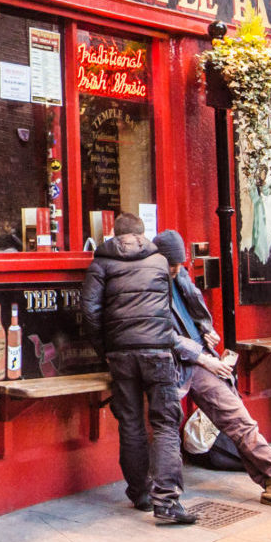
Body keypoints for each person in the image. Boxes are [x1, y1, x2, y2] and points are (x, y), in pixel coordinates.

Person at [154, 230, 271, 515]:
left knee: (238, 423)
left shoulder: (180, 275)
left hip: (203, 358)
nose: (176, 270)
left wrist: (206, 330)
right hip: (184, 365)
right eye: (171, 264)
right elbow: (161, 332)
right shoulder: (151, 282)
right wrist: (203, 358)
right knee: (239, 422)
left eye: (180, 264)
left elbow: (195, 310)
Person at [85, 213, 194, 525]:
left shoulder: (100, 263)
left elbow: (90, 311)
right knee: (165, 423)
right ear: (143, 235)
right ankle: (168, 501)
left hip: (120, 352)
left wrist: (104, 349)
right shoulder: (160, 262)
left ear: (113, 235)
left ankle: (140, 494)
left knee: (130, 422)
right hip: (158, 350)